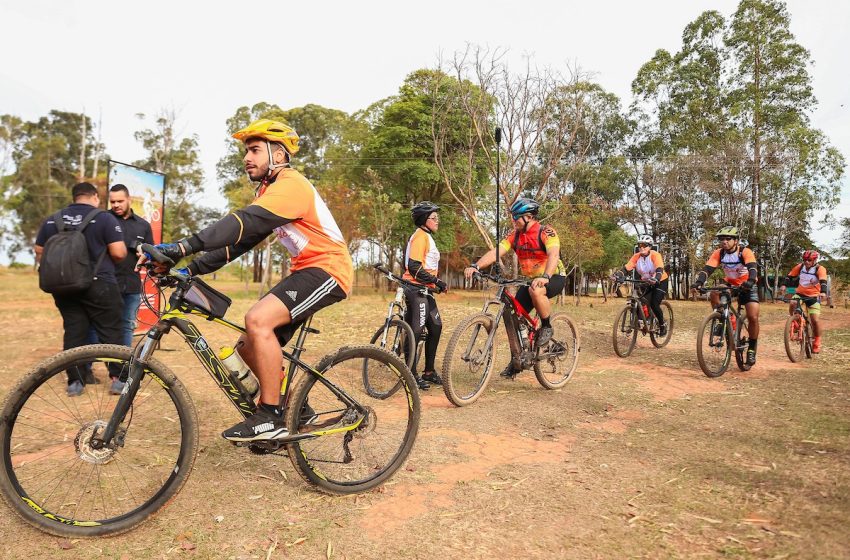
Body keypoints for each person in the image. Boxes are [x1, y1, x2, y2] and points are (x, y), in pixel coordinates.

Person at [138, 119, 353, 443]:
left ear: (278, 154)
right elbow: (239, 243)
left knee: (257, 319)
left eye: (254, 150)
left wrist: (181, 246)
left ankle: (271, 417)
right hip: (306, 270)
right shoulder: (270, 191)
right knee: (247, 348)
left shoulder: (292, 185)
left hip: (329, 270)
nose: (246, 158)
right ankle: (298, 412)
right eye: (246, 151)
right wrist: (189, 268)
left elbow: (244, 222)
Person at [34, 182, 128, 396]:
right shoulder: (104, 217)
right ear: (95, 197)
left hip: (64, 287)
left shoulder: (52, 219)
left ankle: (75, 382)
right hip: (100, 283)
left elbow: (39, 250)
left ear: (75, 197)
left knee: (74, 332)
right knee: (110, 331)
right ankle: (118, 379)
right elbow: (119, 253)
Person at [463, 197, 566, 378]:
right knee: (512, 317)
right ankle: (517, 359)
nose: (513, 221)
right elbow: (497, 252)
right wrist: (476, 266)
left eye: (516, 217)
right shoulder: (515, 235)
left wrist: (545, 277)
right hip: (530, 280)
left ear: (528, 217)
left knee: (537, 290)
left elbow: (554, 254)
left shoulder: (546, 232)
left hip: (553, 276)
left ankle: (547, 326)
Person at [691, 226, 760, 365]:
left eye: (728, 239)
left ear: (736, 240)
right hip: (731, 284)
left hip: (747, 285)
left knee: (752, 317)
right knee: (716, 292)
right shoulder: (719, 253)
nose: (724, 241)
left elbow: (752, 267)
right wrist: (698, 282)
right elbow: (707, 269)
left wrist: (751, 280)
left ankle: (752, 349)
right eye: (721, 239)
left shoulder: (745, 252)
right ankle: (725, 318)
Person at [402, 201, 447, 390]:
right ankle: (409, 375)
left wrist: (433, 284)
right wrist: (437, 281)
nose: (437, 221)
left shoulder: (427, 236)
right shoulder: (420, 236)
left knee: (436, 327)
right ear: (424, 220)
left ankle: (428, 372)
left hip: (426, 289)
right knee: (417, 329)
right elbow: (413, 266)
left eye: (438, 217)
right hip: (415, 289)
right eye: (434, 218)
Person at [108, 184, 154, 346]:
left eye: (120, 201)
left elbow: (151, 255)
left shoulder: (143, 225)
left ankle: (121, 368)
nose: (116, 205)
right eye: (112, 201)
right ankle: (87, 367)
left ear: (129, 200)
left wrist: (145, 256)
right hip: (107, 284)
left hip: (132, 285)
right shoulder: (103, 220)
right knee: (103, 325)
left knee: (127, 325)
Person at [612, 234, 669, 335]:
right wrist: (617, 275)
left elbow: (659, 269)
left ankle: (662, 325)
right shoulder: (636, 257)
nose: (641, 247)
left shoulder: (655, 255)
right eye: (640, 245)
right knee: (640, 300)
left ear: (650, 246)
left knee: (654, 304)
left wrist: (656, 278)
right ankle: (642, 320)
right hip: (646, 281)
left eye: (644, 245)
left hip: (660, 281)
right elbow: (626, 268)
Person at [778, 250, 827, 353]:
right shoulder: (800, 267)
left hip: (814, 296)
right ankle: (794, 320)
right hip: (800, 293)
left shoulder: (820, 269)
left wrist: (823, 292)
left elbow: (823, 282)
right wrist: (784, 285)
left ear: (814, 260)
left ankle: (817, 341)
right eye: (805, 260)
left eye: (809, 260)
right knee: (793, 303)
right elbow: (789, 276)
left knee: (815, 320)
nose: (806, 262)